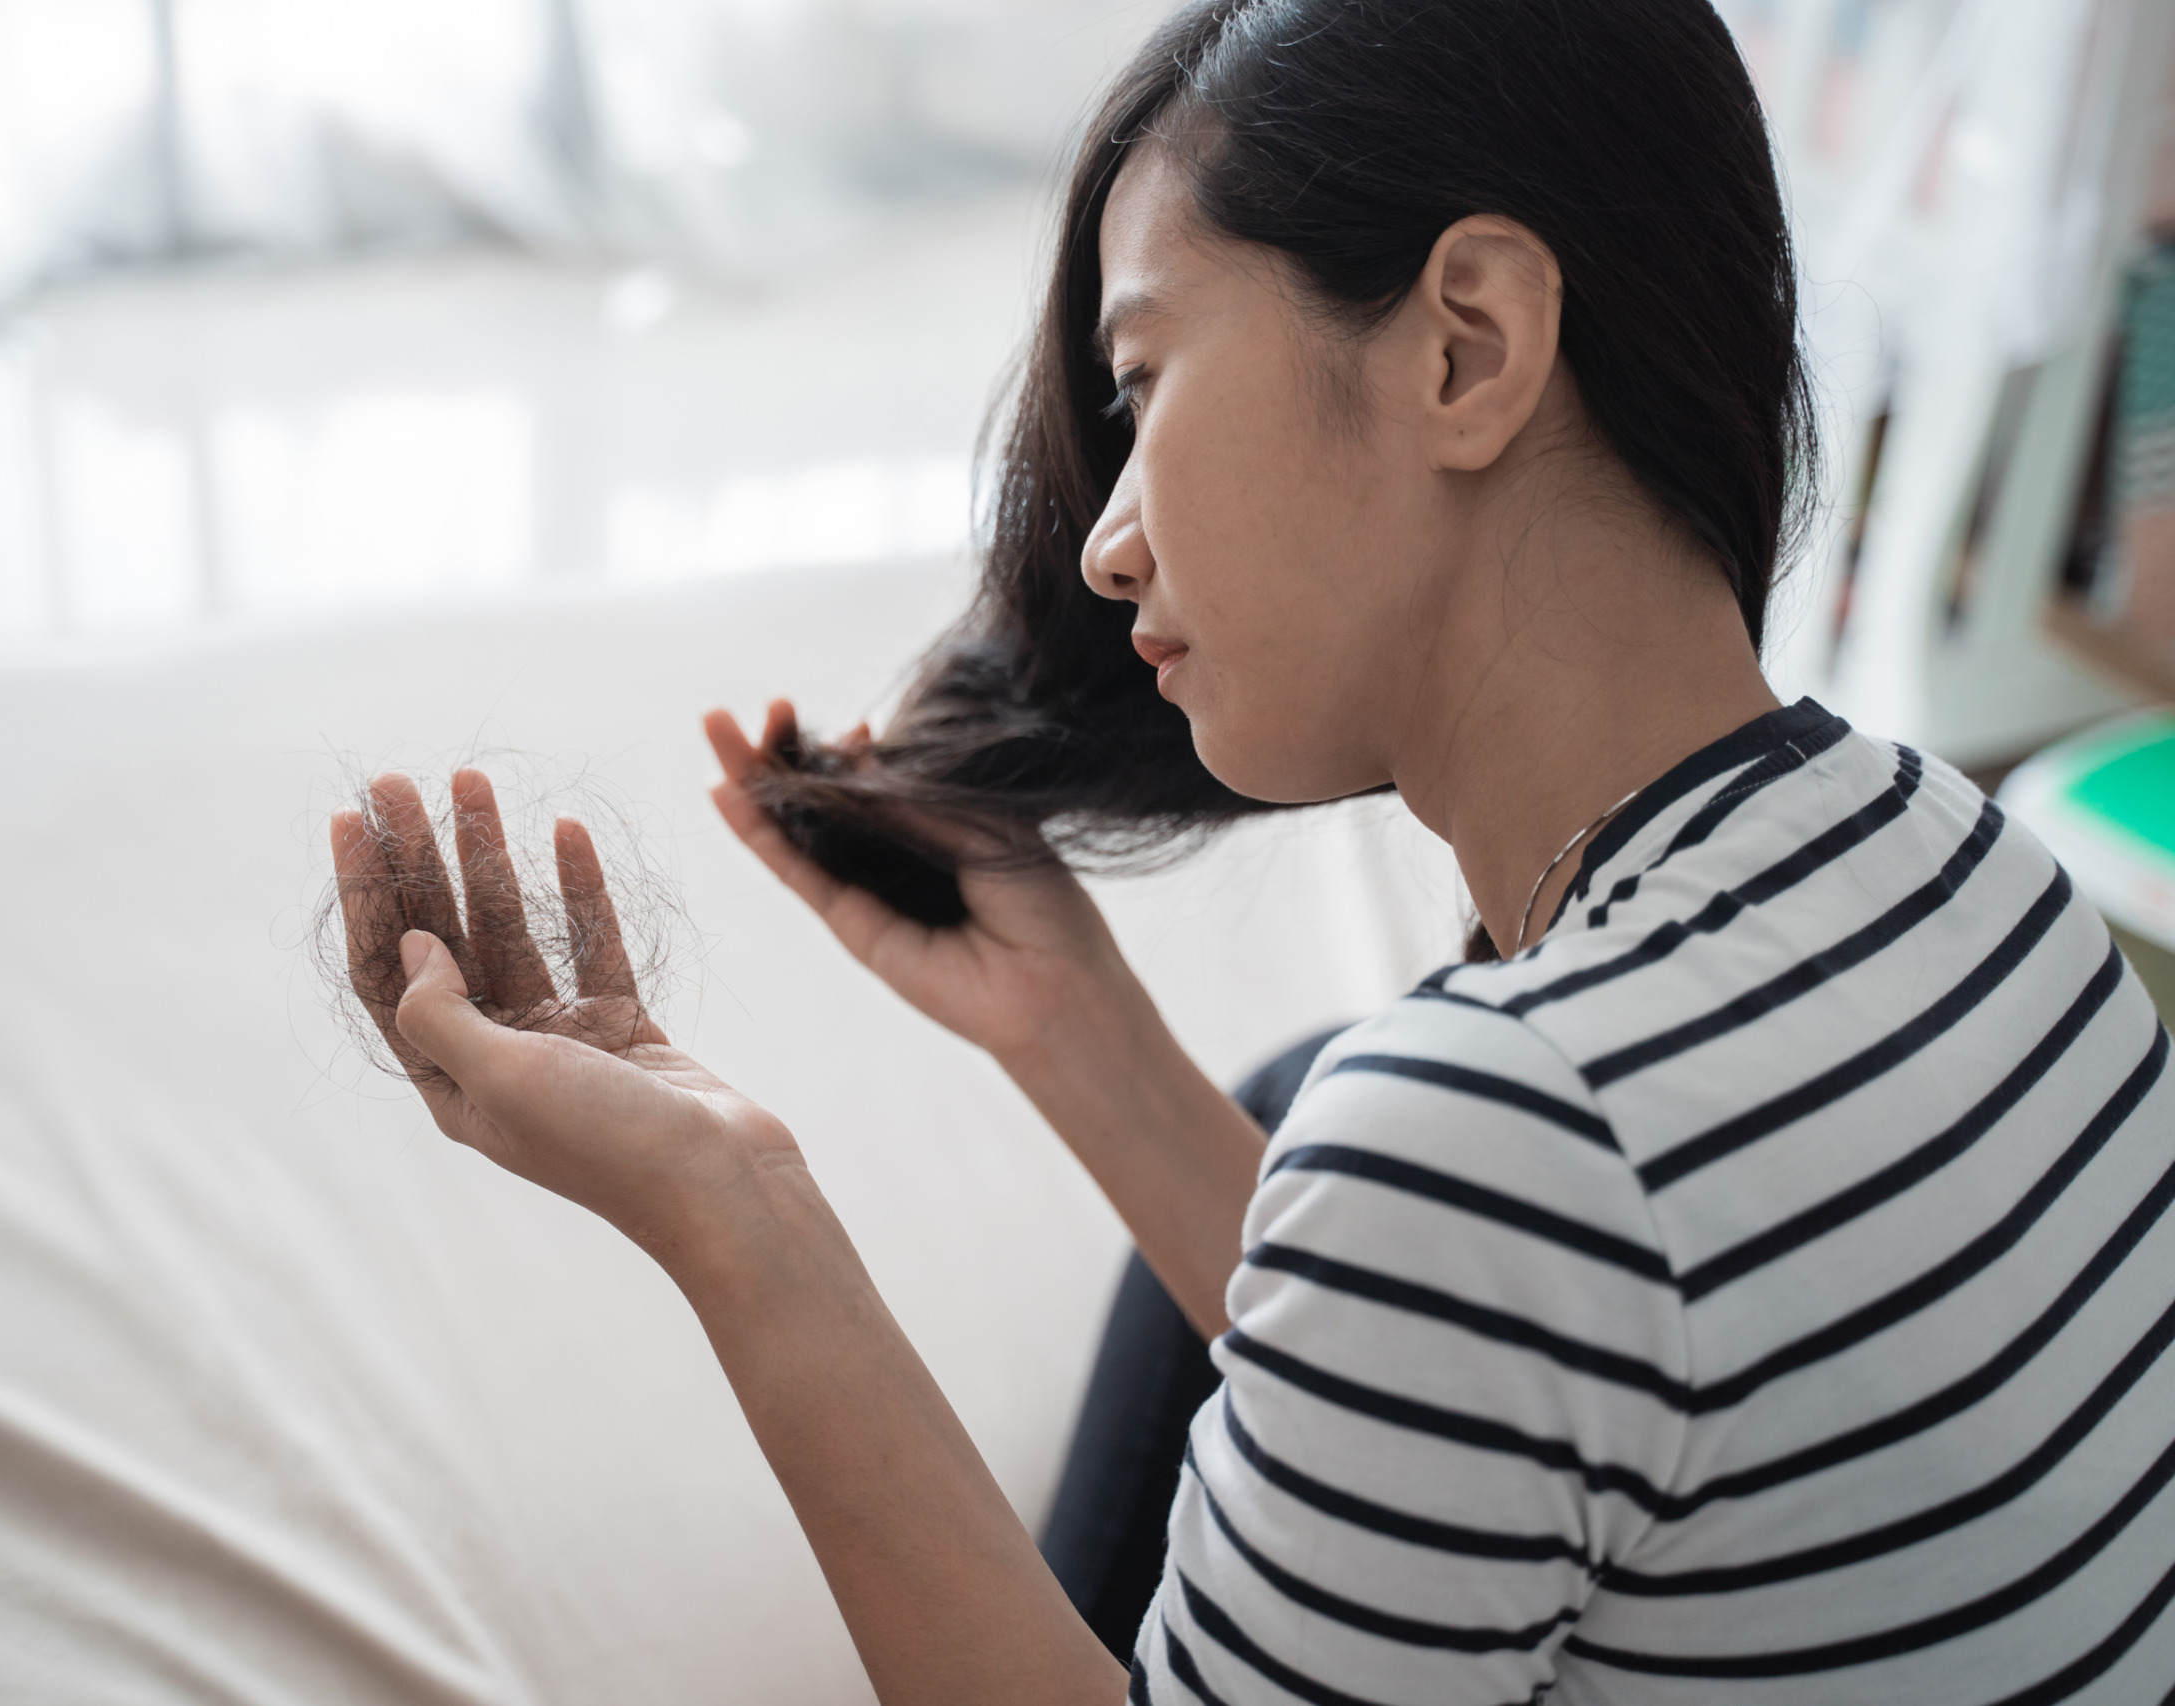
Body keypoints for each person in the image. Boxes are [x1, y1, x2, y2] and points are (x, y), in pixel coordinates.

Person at [329, 1, 2175, 1700]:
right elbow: (1509, 1403)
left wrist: (738, 1217)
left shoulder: (1498, 1139)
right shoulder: (1989, 882)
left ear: (1469, 346)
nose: (1107, 544)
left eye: (1140, 383)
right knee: (1287, 1096)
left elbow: (1476, 1258)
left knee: (1313, 1098)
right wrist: (1081, 1034)